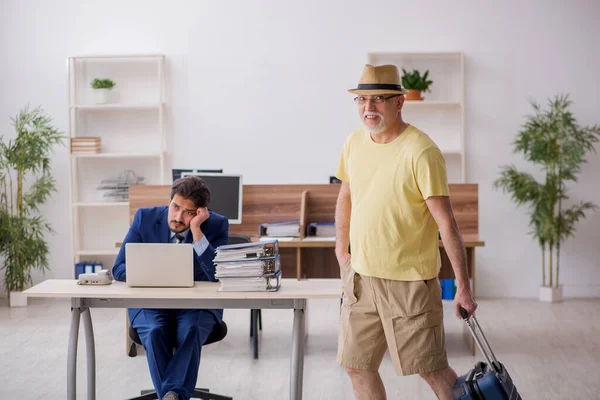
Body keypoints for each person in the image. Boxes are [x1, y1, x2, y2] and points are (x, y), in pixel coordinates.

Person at [334, 64, 477, 400]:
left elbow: (447, 223)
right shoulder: (354, 143)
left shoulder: (421, 151)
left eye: (379, 99)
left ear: (399, 102)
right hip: (361, 278)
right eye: (363, 100)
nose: (368, 108)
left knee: (431, 368)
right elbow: (345, 195)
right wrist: (342, 251)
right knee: (357, 365)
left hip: (409, 283)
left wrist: (463, 286)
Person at [112, 176, 229, 400]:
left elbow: (218, 275)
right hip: (151, 304)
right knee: (155, 331)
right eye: (175, 207)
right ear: (170, 201)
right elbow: (118, 267)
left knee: (192, 329)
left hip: (196, 307)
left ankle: (170, 394)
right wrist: (153, 275)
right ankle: (173, 393)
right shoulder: (145, 218)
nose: (178, 217)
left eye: (188, 212)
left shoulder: (216, 225)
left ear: (200, 212)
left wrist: (197, 233)